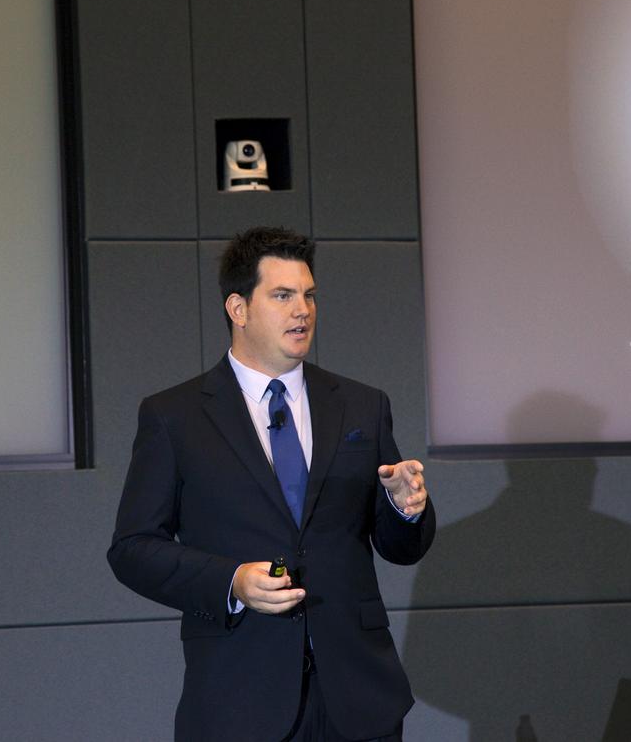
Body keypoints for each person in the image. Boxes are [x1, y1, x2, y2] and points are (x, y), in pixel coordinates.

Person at [108, 226, 435, 741]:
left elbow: (401, 547)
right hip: (239, 697)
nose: (301, 310)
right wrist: (231, 582)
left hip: (358, 697)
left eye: (308, 295)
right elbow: (131, 548)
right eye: (282, 296)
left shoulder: (362, 405)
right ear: (238, 309)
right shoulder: (174, 417)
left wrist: (406, 508)